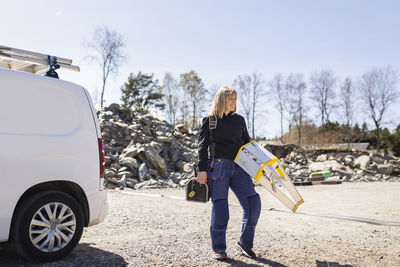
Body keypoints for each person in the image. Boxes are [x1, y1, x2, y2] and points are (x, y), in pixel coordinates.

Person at [196, 86, 261, 260]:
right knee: (221, 208)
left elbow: (247, 143)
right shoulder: (210, 121)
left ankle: (245, 242)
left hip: (240, 166)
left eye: (235, 98)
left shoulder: (239, 120)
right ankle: (219, 248)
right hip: (217, 167)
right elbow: (202, 147)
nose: (234, 102)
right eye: (230, 99)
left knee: (253, 202)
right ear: (221, 100)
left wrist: (259, 162)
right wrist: (201, 169)